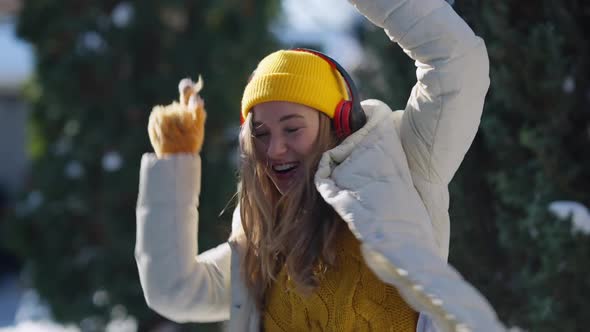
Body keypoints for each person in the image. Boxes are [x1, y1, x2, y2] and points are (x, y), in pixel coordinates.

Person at [135, 0, 505, 331]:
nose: (275, 149)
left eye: (292, 128)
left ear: (338, 122)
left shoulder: (404, 164)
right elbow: (176, 291)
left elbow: (456, 63)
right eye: (260, 134)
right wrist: (176, 162)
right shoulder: (263, 236)